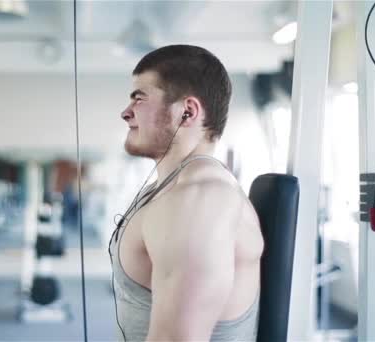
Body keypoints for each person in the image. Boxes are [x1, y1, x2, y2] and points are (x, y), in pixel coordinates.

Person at [108, 45, 264, 342]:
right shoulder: (169, 190)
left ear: (187, 112)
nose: (126, 113)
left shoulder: (199, 201)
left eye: (139, 99)